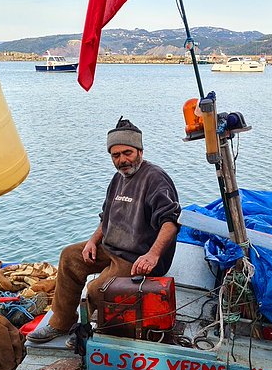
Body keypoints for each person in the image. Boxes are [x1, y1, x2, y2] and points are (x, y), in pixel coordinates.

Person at [27, 117, 181, 344]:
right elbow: (106, 218)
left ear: (140, 150)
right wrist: (92, 241)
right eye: (115, 155)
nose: (122, 160)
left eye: (127, 153)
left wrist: (153, 255)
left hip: (136, 257)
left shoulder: (155, 178)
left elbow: (171, 222)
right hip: (111, 247)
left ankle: (85, 330)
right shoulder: (118, 179)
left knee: (97, 289)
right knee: (69, 257)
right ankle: (61, 323)